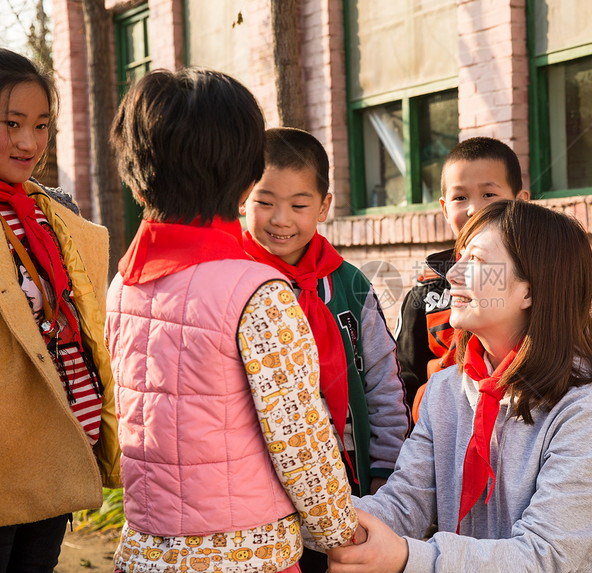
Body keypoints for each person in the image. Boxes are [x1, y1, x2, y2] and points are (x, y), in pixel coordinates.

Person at [106, 69, 361, 573]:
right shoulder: (257, 293)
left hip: (143, 548)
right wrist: (341, 531)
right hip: (245, 554)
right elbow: (300, 439)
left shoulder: (123, 285)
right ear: (247, 178)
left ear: (135, 176)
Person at [329, 200, 592, 572]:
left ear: (530, 291)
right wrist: (301, 512)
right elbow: (403, 503)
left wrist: (407, 558)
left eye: (476, 261)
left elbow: (542, 557)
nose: (453, 274)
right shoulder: (447, 390)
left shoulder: (587, 410)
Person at [241, 127, 411, 572]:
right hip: (258, 501)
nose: (281, 219)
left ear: (325, 206)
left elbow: (383, 383)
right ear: (241, 197)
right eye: (265, 201)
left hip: (346, 488)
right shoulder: (232, 280)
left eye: (299, 205)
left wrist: (383, 474)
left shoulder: (350, 286)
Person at [0, 48, 121, 572]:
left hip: (59, 450)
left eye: (41, 125)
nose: (29, 142)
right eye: (10, 124)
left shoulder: (56, 213)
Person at [394, 137, 530, 419]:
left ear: (520, 203)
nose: (473, 209)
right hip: (439, 433)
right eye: (460, 198)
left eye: (489, 195)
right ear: (445, 209)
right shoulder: (426, 293)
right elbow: (403, 381)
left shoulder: (541, 279)